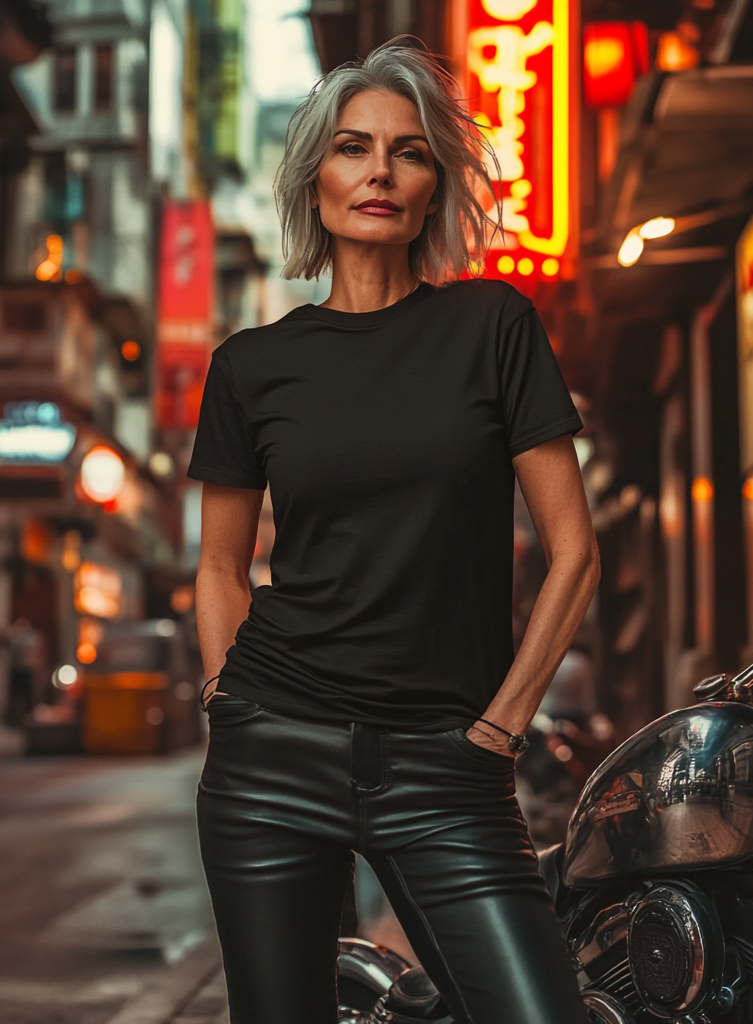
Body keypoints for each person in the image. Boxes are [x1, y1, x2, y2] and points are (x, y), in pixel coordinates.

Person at [189, 38, 599, 1024]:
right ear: (313, 180)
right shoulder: (250, 367)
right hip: (273, 751)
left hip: (444, 760)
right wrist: (224, 703)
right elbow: (217, 564)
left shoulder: (492, 327)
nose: (379, 171)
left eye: (408, 152)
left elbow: (573, 551)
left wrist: (500, 727)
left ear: (433, 187)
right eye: (352, 148)